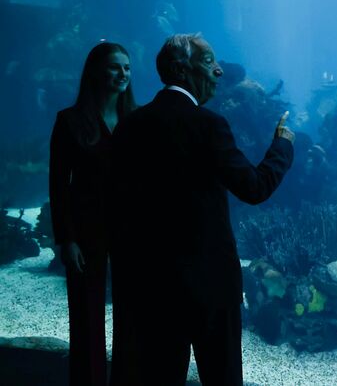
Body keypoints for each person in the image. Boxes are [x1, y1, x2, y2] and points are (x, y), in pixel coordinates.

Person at [109, 33, 294, 386]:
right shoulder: (209, 125)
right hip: (210, 285)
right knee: (221, 375)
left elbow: (119, 206)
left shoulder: (130, 126)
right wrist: (282, 146)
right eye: (209, 61)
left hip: (151, 284)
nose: (220, 71)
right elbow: (254, 188)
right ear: (181, 68)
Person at [49, 41, 136, 385]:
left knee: (132, 318)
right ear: (96, 71)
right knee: (86, 320)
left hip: (130, 231)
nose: (123, 74)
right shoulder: (69, 121)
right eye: (115, 67)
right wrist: (65, 239)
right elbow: (58, 186)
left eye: (127, 68)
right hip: (85, 232)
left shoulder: (137, 119)